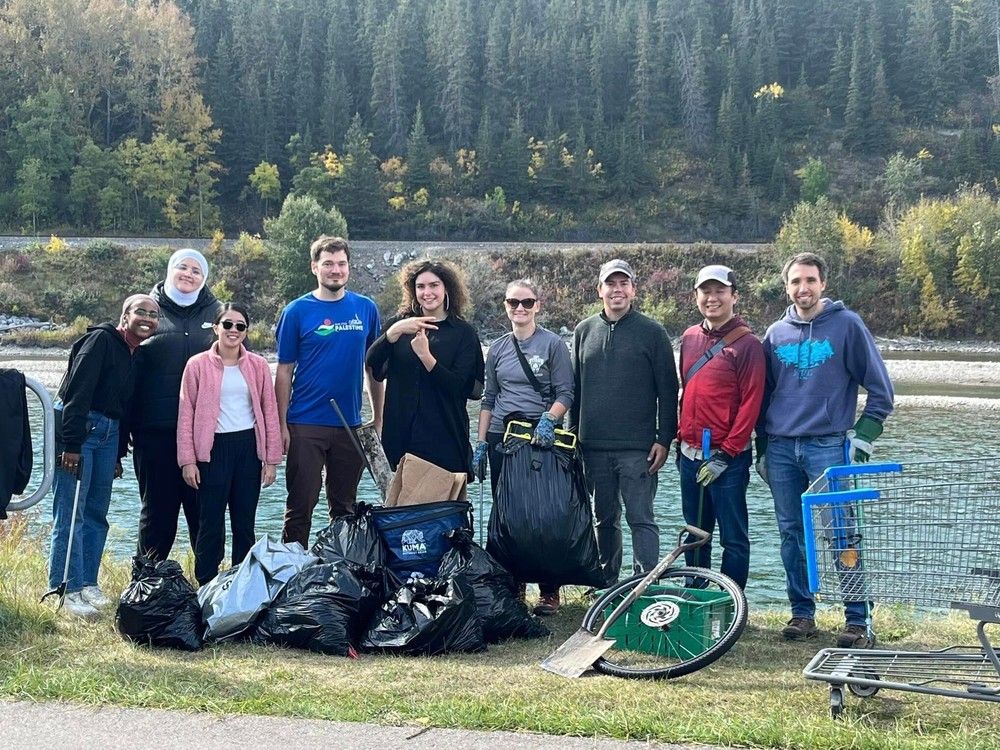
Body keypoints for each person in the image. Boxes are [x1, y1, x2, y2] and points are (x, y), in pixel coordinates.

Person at [757, 251, 894, 647]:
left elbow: (881, 391)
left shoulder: (847, 326)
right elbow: (763, 396)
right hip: (782, 448)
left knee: (842, 533)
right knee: (790, 534)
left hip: (829, 447)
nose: (803, 288)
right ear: (787, 287)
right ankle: (802, 613)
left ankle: (856, 619)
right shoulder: (775, 334)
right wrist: (762, 448)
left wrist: (863, 436)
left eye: (810, 280)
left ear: (823, 284)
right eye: (796, 281)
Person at [49, 294, 160, 618]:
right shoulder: (99, 341)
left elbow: (123, 408)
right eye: (141, 311)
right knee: (71, 513)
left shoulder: (135, 355)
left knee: (97, 512)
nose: (147, 318)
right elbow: (75, 394)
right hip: (80, 432)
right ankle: (65, 589)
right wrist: (70, 445)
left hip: (108, 434)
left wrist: (118, 453)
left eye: (153, 314)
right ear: (124, 315)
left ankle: (87, 584)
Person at [569, 258, 679, 581]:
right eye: (610, 284)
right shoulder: (583, 331)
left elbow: (668, 391)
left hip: (639, 448)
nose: (617, 290)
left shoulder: (653, 333)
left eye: (623, 284)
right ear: (599, 290)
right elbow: (574, 389)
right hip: (592, 447)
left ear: (633, 289)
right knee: (603, 517)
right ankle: (607, 581)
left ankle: (646, 582)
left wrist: (664, 438)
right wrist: (572, 436)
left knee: (641, 517)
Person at [276, 235, 384, 547]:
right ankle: (291, 574)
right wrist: (281, 424)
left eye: (341, 264)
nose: (335, 270)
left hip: (350, 424)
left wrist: (378, 418)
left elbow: (373, 368)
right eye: (328, 264)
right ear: (314, 267)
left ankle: (340, 577)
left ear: (349, 268)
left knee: (345, 509)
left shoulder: (366, 309)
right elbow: (284, 371)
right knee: (300, 507)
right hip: (306, 423)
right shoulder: (296, 311)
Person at [474, 279, 574, 615]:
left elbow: (565, 393)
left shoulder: (553, 344)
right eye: (513, 302)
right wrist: (481, 443)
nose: (520, 309)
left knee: (545, 515)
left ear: (537, 305)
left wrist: (550, 419)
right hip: (504, 437)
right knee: (508, 516)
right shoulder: (498, 349)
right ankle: (512, 585)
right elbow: (489, 399)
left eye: (527, 302)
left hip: (540, 439)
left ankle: (549, 591)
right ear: (505, 306)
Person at [177, 303, 282, 585]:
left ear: (246, 331)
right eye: (227, 324)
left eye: (240, 326)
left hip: (248, 449)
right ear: (216, 328)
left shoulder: (258, 366)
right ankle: (206, 585)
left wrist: (271, 460)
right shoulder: (197, 365)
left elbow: (269, 411)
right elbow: (186, 413)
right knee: (210, 524)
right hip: (212, 450)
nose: (233, 331)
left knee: (244, 523)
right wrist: (187, 460)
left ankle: (242, 586)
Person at [677, 265, 765, 590]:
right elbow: (686, 390)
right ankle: (697, 600)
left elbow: (751, 404)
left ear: (734, 296)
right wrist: (679, 438)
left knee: (733, 538)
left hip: (727, 460)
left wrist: (725, 455)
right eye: (705, 291)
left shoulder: (748, 345)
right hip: (688, 455)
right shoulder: (688, 338)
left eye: (720, 291)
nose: (712, 298)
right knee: (696, 534)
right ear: (696, 296)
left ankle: (730, 604)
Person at [131, 248, 222, 563]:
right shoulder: (147, 310)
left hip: (206, 436)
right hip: (155, 431)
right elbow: (127, 367)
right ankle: (145, 588)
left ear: (204, 278)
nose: (189, 274)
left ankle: (210, 593)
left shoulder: (220, 314)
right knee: (157, 515)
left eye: (196, 270)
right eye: (182, 267)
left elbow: (241, 368)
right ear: (170, 269)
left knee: (204, 517)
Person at [366, 259, 484, 475]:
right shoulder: (399, 325)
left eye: (434, 285)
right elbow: (372, 365)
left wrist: (426, 357)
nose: (427, 292)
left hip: (445, 438)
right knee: (401, 507)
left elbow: (462, 387)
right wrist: (393, 333)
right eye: (420, 286)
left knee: (443, 508)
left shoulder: (463, 333)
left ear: (446, 288)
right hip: (401, 438)